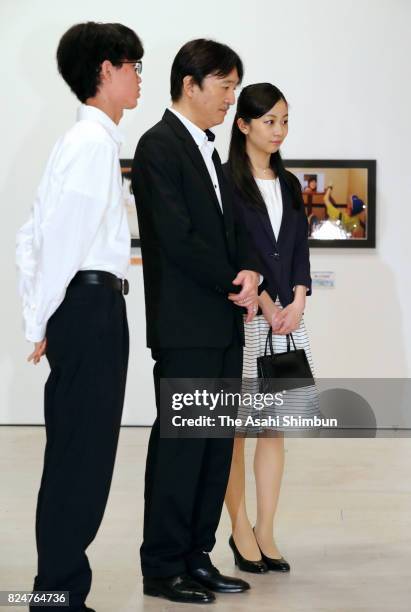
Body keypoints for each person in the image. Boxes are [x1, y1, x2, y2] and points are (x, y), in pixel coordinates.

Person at [15, 22, 143, 612]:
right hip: (89, 308)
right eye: (132, 65)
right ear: (106, 70)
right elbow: (58, 241)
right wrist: (39, 321)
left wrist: (40, 317)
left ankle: (55, 590)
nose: (138, 75)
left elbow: (30, 236)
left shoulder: (83, 142)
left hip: (80, 309)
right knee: (83, 457)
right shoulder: (92, 145)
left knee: (73, 452)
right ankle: (56, 595)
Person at [132, 39, 262, 604]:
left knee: (213, 448)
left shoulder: (209, 151)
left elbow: (226, 231)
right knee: (181, 449)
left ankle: (196, 556)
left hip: (222, 325)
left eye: (235, 86)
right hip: (186, 327)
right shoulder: (158, 146)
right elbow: (176, 236)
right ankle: (162, 567)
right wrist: (234, 279)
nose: (231, 99)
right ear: (190, 84)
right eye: (224, 86)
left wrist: (251, 269)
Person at [223, 83, 316, 574]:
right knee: (237, 430)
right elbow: (232, 249)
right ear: (243, 125)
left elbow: (299, 248)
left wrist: (299, 298)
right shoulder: (224, 182)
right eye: (268, 121)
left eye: (284, 120)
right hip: (247, 319)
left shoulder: (290, 184)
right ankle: (239, 530)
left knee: (273, 428)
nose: (278, 130)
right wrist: (264, 300)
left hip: (287, 323)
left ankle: (266, 530)